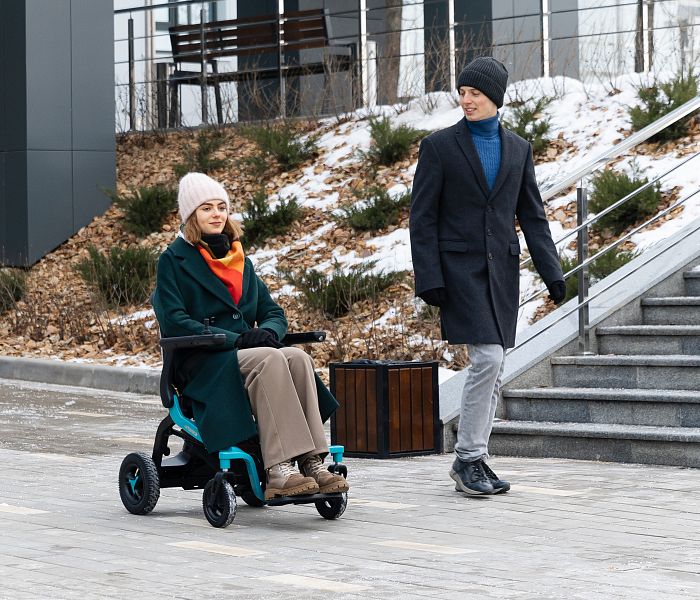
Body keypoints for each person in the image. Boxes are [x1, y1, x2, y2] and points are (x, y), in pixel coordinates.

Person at [409, 57, 565, 496]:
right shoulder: (439, 147)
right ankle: (468, 458)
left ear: (495, 97)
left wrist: (552, 272)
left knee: (494, 369)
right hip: (458, 273)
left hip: (502, 276)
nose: (466, 99)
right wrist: (429, 276)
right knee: (489, 360)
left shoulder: (518, 149)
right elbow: (422, 217)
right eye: (462, 92)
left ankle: (475, 458)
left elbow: (532, 216)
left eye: (475, 93)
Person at [152, 172, 348, 500]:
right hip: (203, 360)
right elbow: (175, 321)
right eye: (206, 208)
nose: (217, 214)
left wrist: (267, 332)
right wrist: (236, 339)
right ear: (191, 215)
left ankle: (311, 461)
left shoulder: (240, 259)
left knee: (296, 357)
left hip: (244, 355)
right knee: (270, 359)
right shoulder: (173, 260)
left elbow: (273, 312)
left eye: (221, 207)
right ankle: (279, 469)